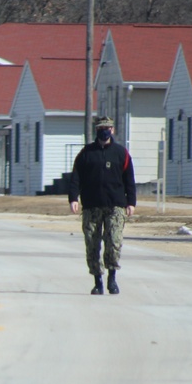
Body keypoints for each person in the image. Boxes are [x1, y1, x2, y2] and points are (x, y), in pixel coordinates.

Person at [68, 117, 137, 295]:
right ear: (96, 130)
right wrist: (73, 198)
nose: (104, 130)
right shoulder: (86, 153)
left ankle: (112, 279)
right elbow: (76, 177)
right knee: (92, 243)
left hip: (116, 206)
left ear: (112, 130)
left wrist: (131, 202)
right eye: (100, 128)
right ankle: (97, 281)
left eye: (107, 127)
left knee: (113, 242)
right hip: (92, 205)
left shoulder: (121, 153)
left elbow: (129, 179)